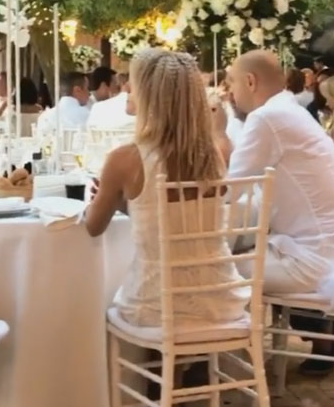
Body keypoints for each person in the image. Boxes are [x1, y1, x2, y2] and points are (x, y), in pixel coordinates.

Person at [86, 49, 249, 330]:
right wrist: (127, 203)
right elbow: (181, 217)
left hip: (156, 304)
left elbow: (93, 227)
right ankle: (192, 356)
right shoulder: (212, 155)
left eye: (133, 83)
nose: (126, 89)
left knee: (101, 307)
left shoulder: (125, 159)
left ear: (150, 95)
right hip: (221, 300)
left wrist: (104, 197)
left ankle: (160, 359)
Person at [228, 51, 334, 298]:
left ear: (250, 81)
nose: (230, 92)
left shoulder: (267, 117)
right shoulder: (290, 109)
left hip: (312, 262)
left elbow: (228, 190)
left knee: (207, 269)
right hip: (320, 252)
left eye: (231, 82)